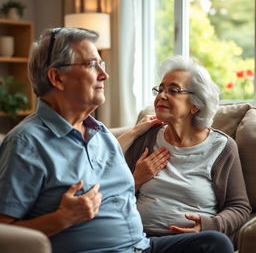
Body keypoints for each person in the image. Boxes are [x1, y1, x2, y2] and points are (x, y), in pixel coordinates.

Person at [0, 28, 234, 253]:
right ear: (57, 78)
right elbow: (5, 235)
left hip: (141, 247)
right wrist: (62, 219)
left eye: (101, 64)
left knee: (215, 244)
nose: (105, 74)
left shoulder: (100, 133)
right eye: (92, 65)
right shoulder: (26, 143)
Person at [124, 55, 251, 243]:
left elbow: (239, 207)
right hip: (140, 238)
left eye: (173, 90)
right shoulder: (146, 138)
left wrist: (208, 226)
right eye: (160, 89)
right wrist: (135, 180)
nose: (162, 95)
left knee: (218, 243)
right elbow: (110, 193)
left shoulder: (221, 147)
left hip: (189, 242)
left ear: (195, 104)